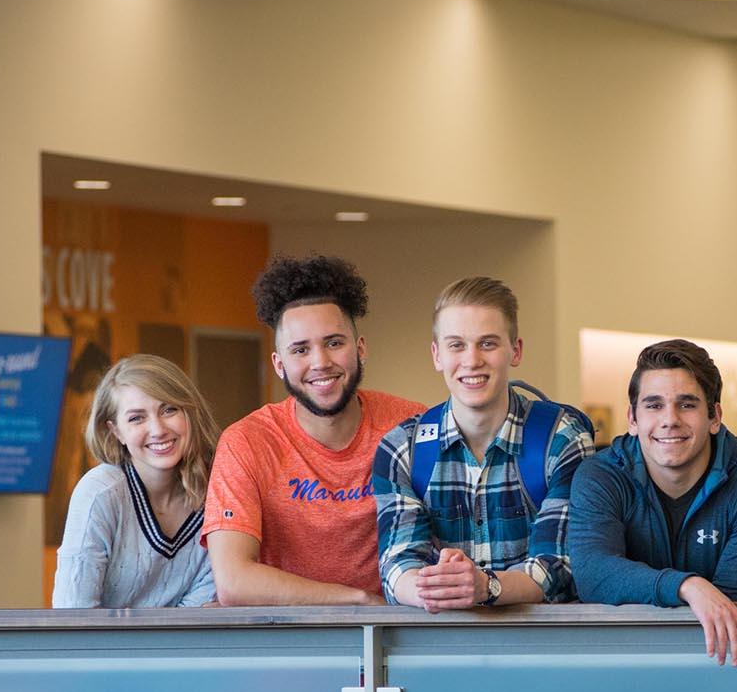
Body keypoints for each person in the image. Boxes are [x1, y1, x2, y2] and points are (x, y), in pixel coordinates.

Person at [202, 254, 424, 605]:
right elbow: (233, 581)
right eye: (300, 349)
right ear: (279, 364)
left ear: (360, 348)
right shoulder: (247, 442)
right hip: (288, 642)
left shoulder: (413, 426)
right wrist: (357, 602)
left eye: (334, 342)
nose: (320, 362)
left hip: (395, 638)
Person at [373, 277, 593, 610]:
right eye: (456, 345)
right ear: (436, 355)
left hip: (543, 650)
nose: (471, 360)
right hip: (435, 646)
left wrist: (485, 586)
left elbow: (561, 565)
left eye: (487, 343)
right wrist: (445, 589)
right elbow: (398, 564)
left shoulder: (561, 439)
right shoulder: (402, 449)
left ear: (515, 350)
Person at [570, 339, 737, 666]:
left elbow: (732, 601)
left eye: (687, 404)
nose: (670, 420)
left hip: (727, 662)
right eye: (653, 405)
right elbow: (593, 574)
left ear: (715, 417)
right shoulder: (601, 475)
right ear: (632, 420)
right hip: (621, 661)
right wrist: (687, 586)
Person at [53, 355, 220, 608]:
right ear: (116, 431)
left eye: (169, 409)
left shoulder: (219, 494)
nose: (158, 429)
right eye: (136, 418)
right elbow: (73, 616)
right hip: (96, 648)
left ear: (190, 413)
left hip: (183, 648)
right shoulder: (100, 492)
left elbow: (197, 624)